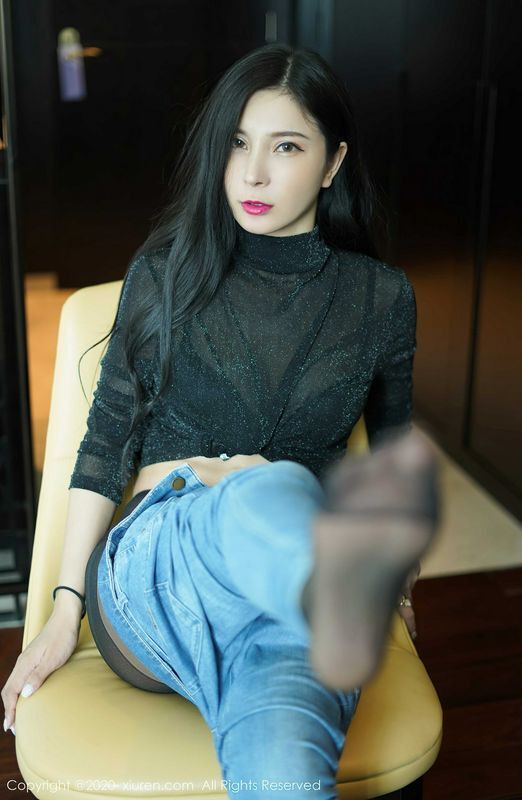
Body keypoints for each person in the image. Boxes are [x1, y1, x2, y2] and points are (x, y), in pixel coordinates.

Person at [1, 43, 440, 797]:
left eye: (286, 147)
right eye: (238, 143)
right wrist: (64, 609)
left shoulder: (381, 300)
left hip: (294, 606)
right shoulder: (166, 273)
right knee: (272, 491)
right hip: (157, 580)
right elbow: (104, 447)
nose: (253, 173)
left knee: (287, 765)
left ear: (333, 163)